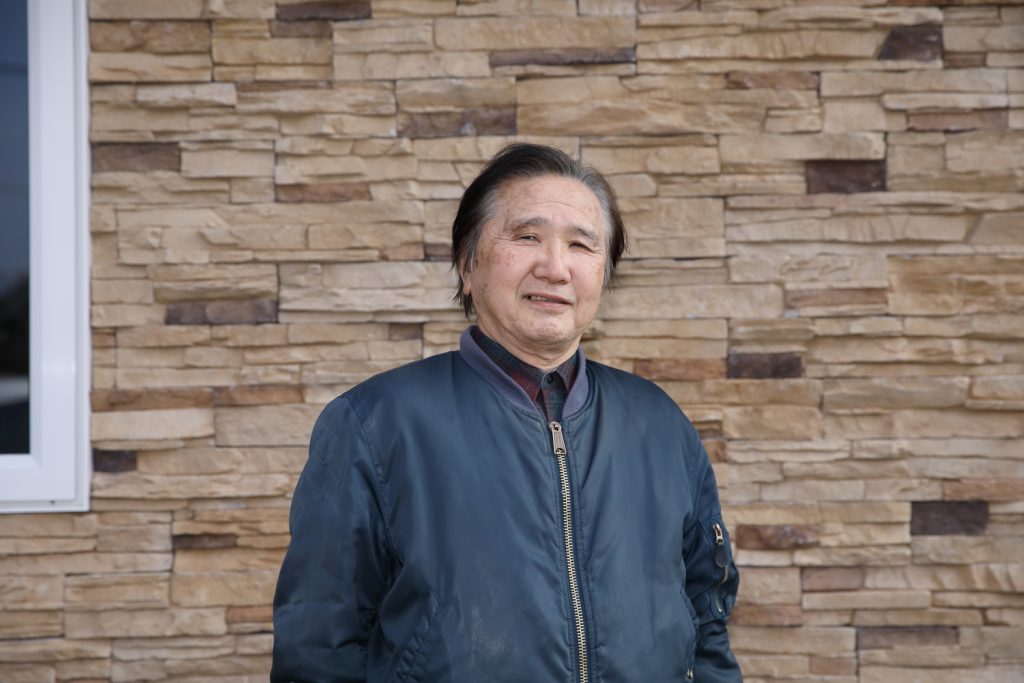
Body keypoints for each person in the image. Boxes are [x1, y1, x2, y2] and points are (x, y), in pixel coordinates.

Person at [272, 143, 742, 682]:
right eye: (526, 237)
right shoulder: (375, 424)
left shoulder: (660, 425)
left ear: (604, 275)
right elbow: (318, 648)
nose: (555, 268)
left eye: (581, 245)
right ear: (467, 266)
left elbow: (707, 624)